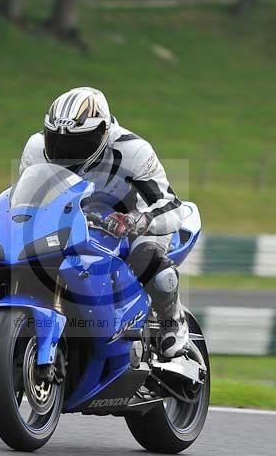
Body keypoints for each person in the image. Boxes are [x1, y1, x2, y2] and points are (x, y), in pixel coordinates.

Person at [19, 86, 189, 358]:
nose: (66, 151)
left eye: (79, 142)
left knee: (145, 254)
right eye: (58, 142)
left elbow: (170, 205)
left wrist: (138, 221)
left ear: (103, 132)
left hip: (135, 222)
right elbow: (24, 200)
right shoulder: (36, 148)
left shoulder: (133, 150)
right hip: (74, 222)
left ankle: (173, 320)